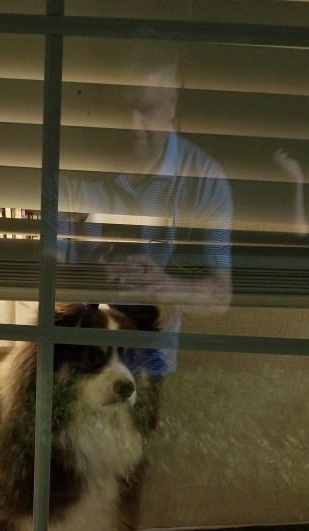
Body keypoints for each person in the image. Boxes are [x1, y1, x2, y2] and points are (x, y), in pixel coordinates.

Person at [56, 42, 233, 375]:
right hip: (74, 348)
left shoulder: (205, 179)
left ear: (172, 102)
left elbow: (221, 294)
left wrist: (163, 285)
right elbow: (44, 271)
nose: (133, 125)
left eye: (148, 108)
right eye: (124, 107)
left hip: (149, 351)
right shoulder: (76, 165)